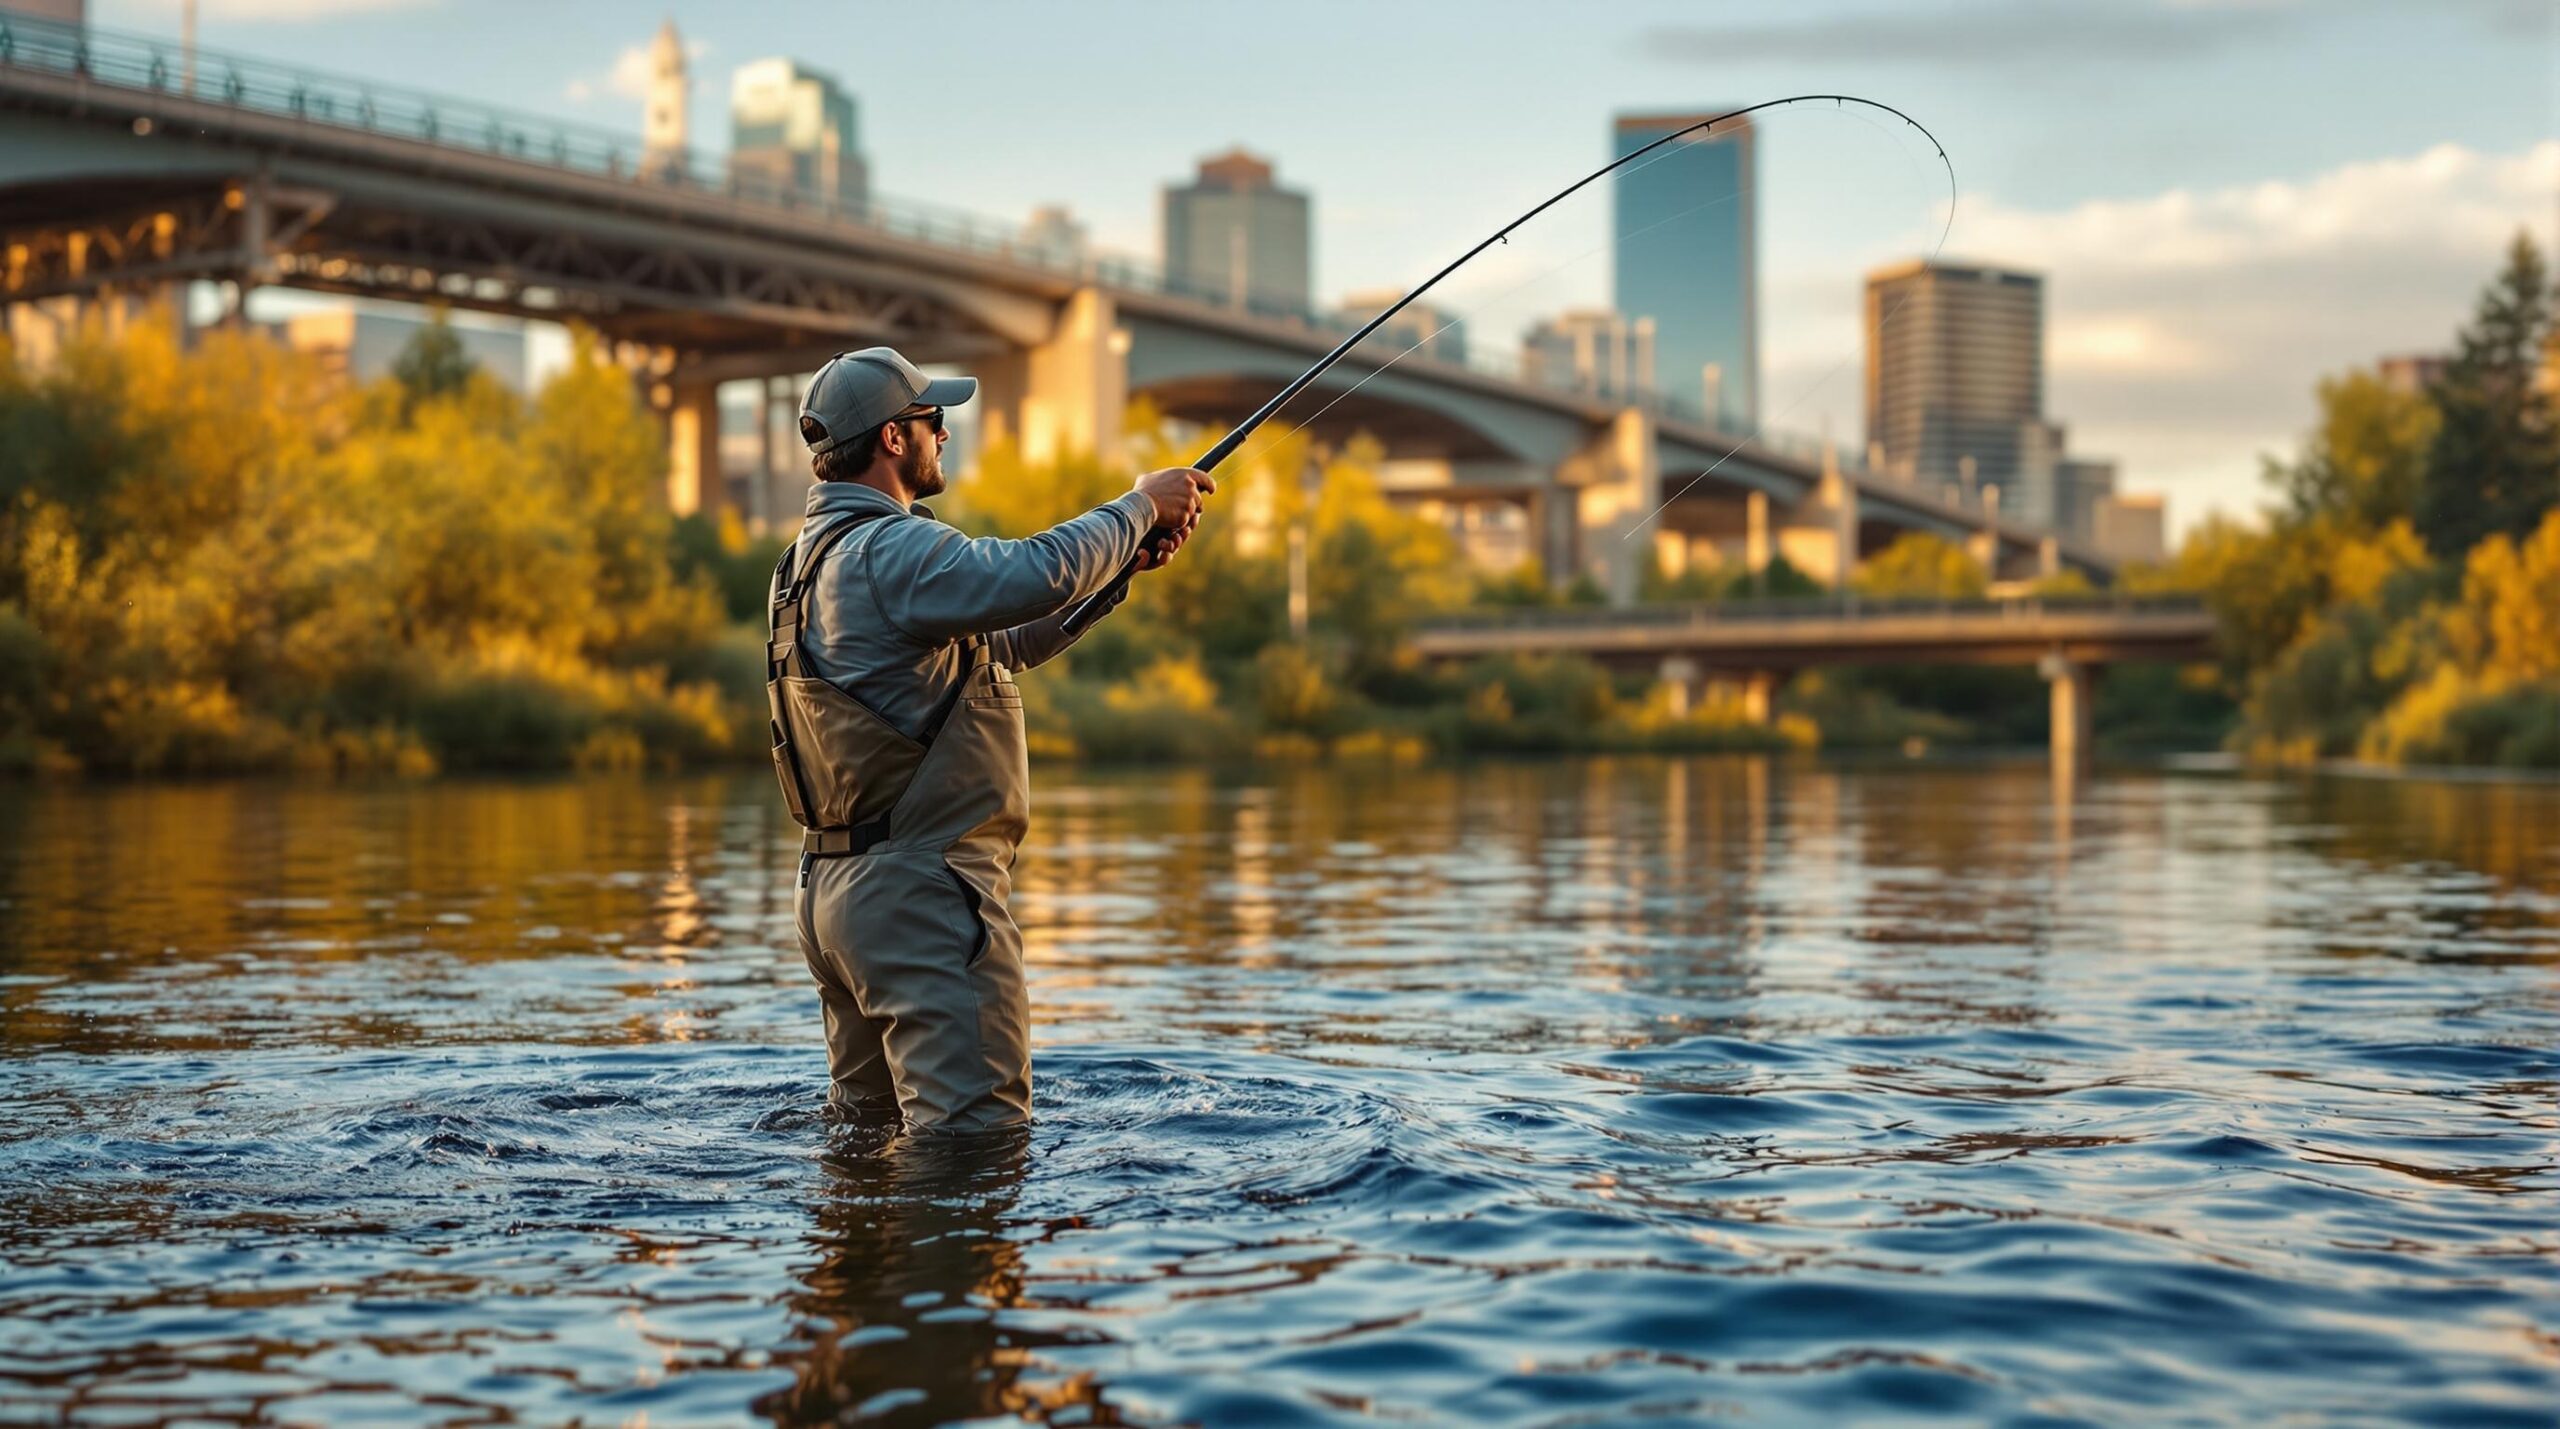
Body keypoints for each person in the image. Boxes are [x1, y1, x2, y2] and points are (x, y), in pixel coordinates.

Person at [767, 346, 1212, 1134]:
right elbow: (1033, 572)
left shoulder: (806, 564)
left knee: (866, 1140)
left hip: (835, 896)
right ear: (893, 439)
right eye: (931, 418)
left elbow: (995, 646)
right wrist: (1138, 505)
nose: (945, 432)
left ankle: (859, 1256)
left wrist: (1118, 574)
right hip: (920, 898)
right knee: (975, 1146)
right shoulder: (891, 548)